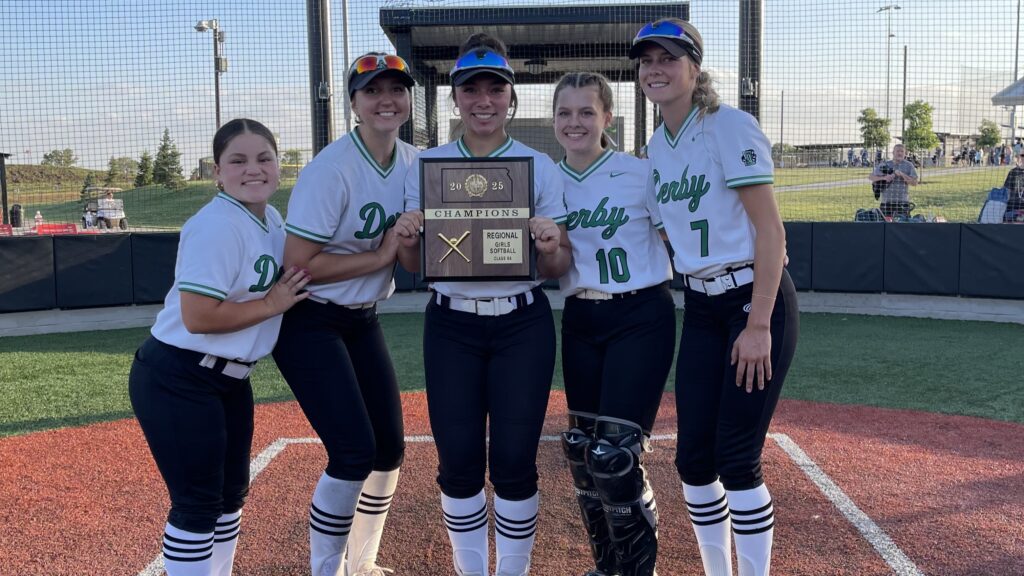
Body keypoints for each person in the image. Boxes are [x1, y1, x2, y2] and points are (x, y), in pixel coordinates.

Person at [392, 33, 572, 576]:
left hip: (522, 324)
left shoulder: (538, 165)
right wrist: (406, 235)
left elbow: (557, 267)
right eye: (472, 89)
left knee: (515, 462)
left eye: (496, 88)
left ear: (511, 96)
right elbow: (413, 263)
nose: (484, 100)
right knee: (459, 462)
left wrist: (550, 245)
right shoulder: (429, 166)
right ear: (455, 98)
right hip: (452, 326)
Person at [631, 18, 800, 576]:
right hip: (702, 306)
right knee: (694, 462)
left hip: (754, 299)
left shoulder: (728, 125)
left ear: (695, 67)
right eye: (647, 60)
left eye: (668, 58)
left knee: (737, 458)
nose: (655, 69)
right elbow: (666, 231)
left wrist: (758, 324)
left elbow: (771, 231)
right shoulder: (657, 145)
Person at [129, 118, 310, 576]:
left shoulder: (269, 217)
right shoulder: (216, 224)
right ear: (217, 171)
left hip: (229, 378)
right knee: (197, 504)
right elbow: (198, 316)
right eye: (238, 160)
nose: (254, 169)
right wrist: (270, 304)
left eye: (264, 158)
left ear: (279, 165)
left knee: (230, 498)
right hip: (179, 376)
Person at [271, 52, 417, 576]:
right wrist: (379, 257)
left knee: (389, 450)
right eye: (372, 91)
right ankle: (327, 570)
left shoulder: (415, 163)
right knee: (353, 452)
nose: (386, 100)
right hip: (310, 319)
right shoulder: (331, 169)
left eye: (396, 89)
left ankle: (364, 563)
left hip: (362, 318)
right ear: (354, 104)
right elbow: (297, 266)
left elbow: (419, 251)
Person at [551, 71, 676, 576]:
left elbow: (679, 237)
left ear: (607, 117)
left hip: (639, 314)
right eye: (565, 112)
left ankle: (637, 572)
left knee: (614, 456)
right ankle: (607, 567)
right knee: (582, 452)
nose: (575, 122)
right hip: (581, 318)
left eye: (587, 112)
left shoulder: (639, 173)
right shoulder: (546, 181)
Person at [868, 143, 919, 219]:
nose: (900, 153)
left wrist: (902, 174)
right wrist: (884, 178)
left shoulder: (909, 165)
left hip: (902, 202)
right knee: (886, 223)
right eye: (898, 151)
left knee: (902, 223)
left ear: (905, 153)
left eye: (902, 151)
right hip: (886, 202)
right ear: (893, 152)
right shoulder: (885, 164)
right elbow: (871, 177)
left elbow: (915, 183)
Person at [1003, 150, 1024, 220]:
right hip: (1013, 205)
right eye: (1022, 155)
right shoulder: (1013, 172)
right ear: (1020, 157)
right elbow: (1007, 190)